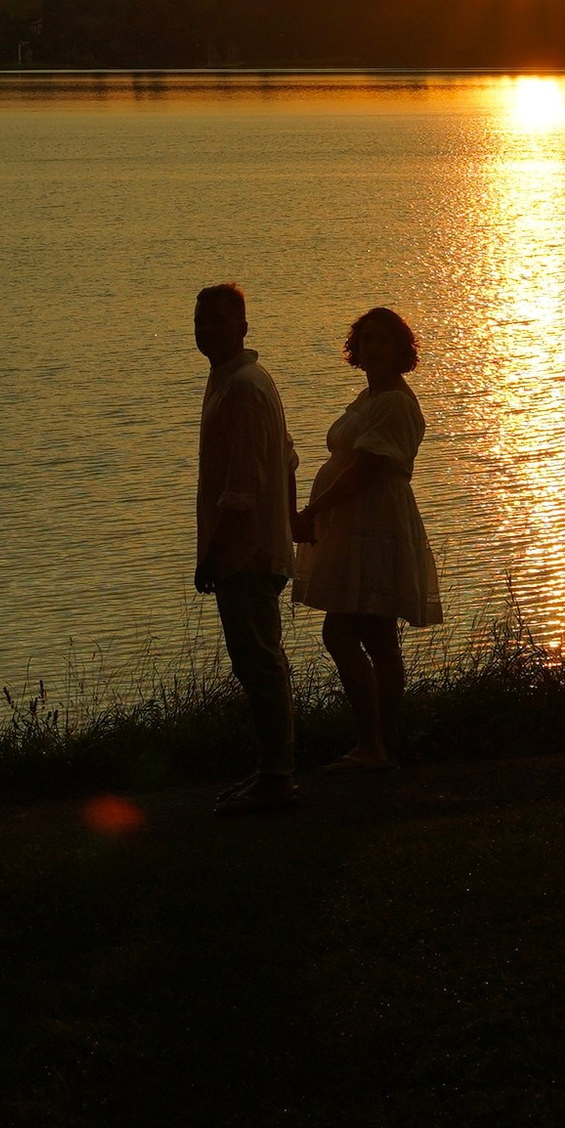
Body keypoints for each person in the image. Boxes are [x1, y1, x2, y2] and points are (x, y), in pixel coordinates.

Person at [292, 306, 442, 770]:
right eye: (366, 339)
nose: (372, 346)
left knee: (343, 632)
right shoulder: (369, 397)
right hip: (356, 525)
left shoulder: (395, 401)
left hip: (374, 526)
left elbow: (364, 469)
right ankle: (377, 745)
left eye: (382, 339)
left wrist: (314, 511)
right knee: (375, 636)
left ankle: (373, 743)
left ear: (401, 349)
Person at [192, 281, 303, 815]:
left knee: (258, 662)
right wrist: (290, 524)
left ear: (242, 326)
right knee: (258, 660)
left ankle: (277, 775)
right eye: (200, 322)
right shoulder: (233, 380)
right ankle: (269, 769)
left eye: (217, 321)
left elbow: (244, 483)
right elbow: (286, 460)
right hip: (257, 546)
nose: (206, 331)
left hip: (247, 554)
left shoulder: (243, 388)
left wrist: (216, 553)